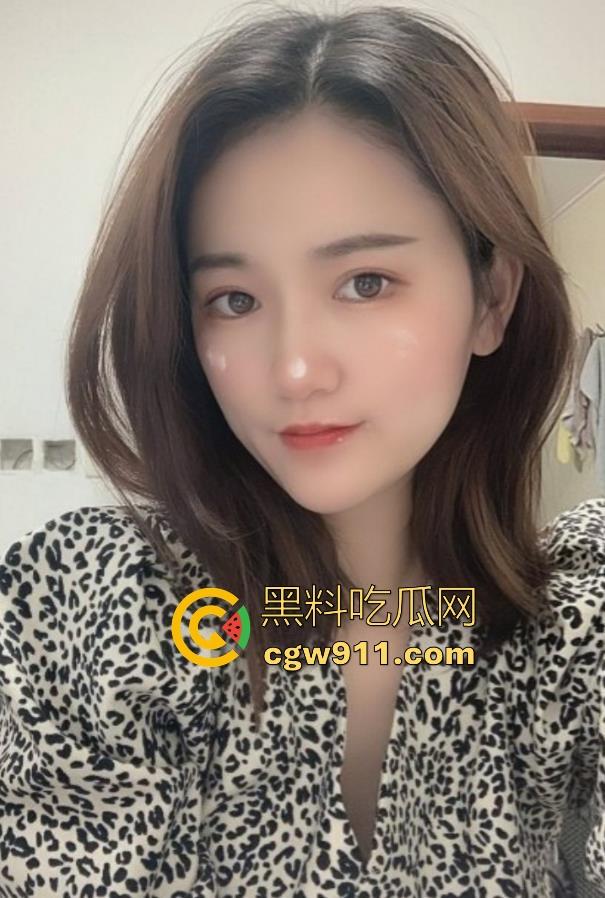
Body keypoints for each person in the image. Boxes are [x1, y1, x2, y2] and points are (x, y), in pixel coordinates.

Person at [1, 4, 604, 897]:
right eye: (234, 299)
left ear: (491, 301)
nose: (293, 370)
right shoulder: (100, 611)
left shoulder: (570, 628)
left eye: (365, 283)